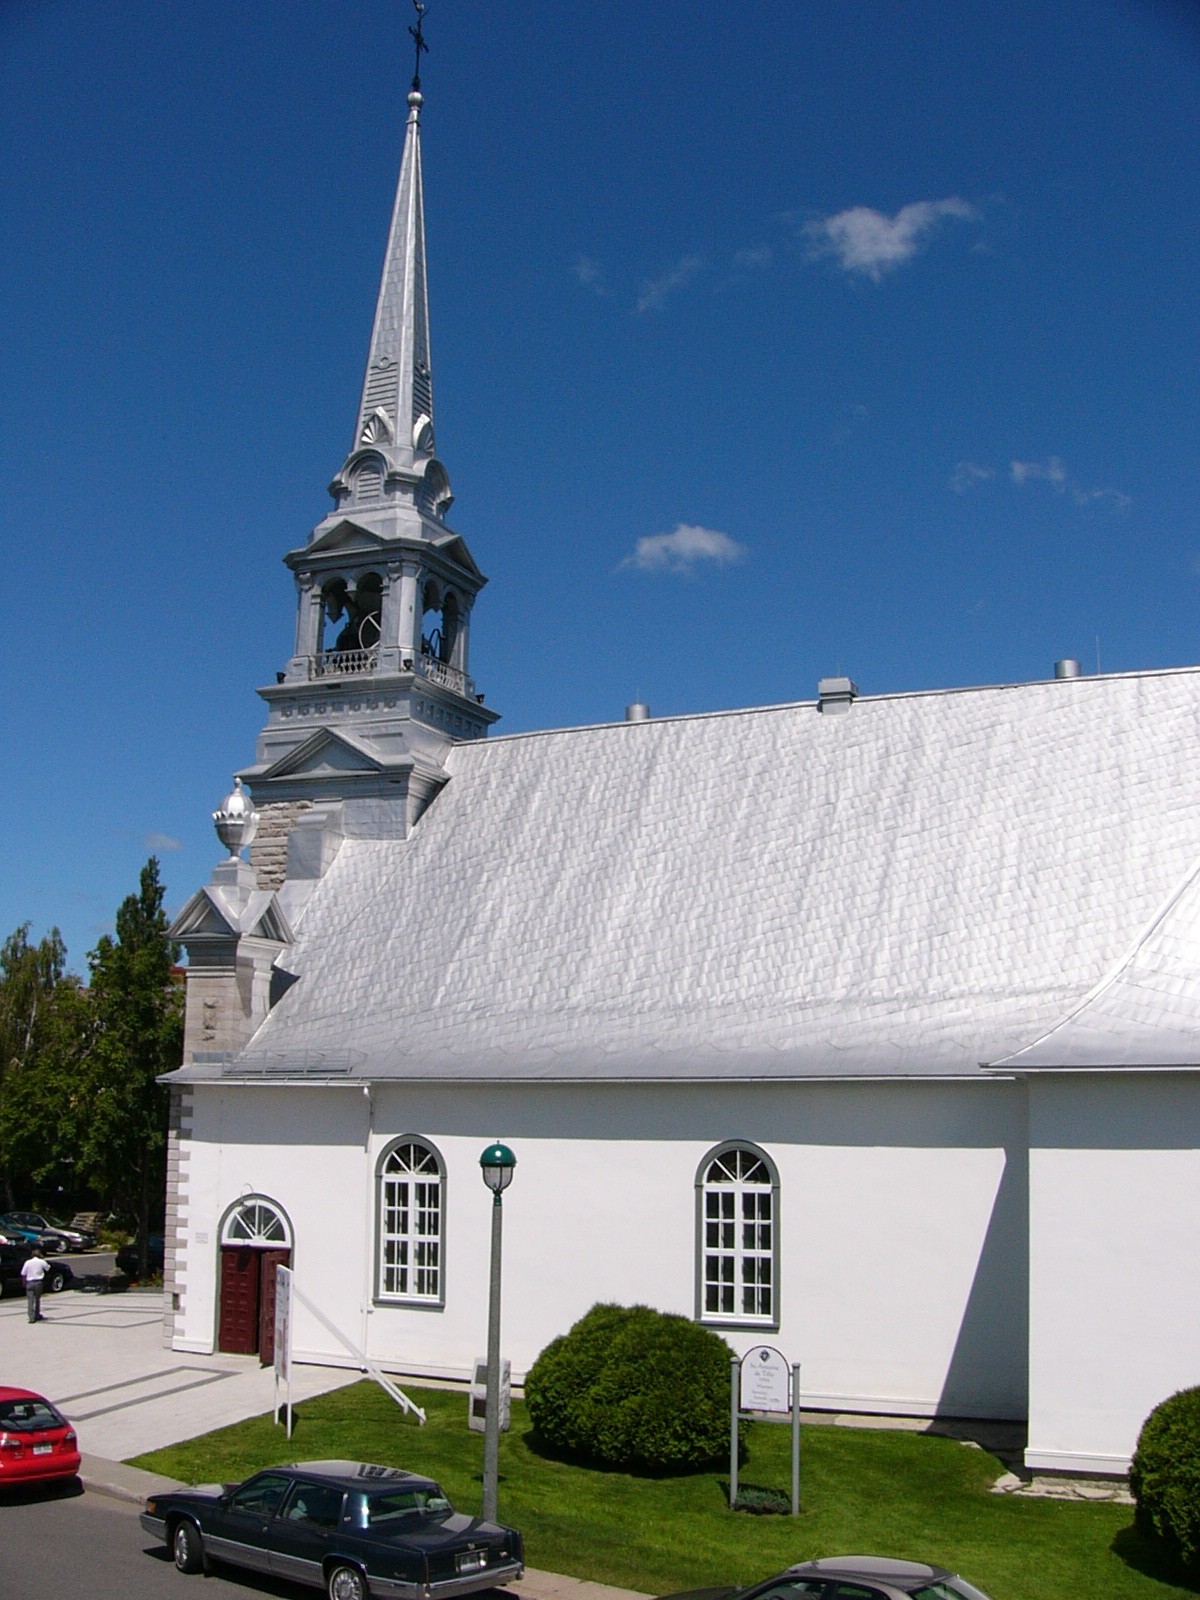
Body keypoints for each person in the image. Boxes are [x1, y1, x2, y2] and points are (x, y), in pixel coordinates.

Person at [21, 1246, 51, 1322]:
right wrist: (43, 1259)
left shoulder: (27, 1262)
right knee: (37, 1299)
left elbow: (23, 1273)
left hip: (30, 1282)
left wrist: (24, 1283)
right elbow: (48, 1268)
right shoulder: (41, 1261)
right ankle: (37, 1314)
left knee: (30, 1300)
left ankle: (31, 1316)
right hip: (38, 1282)